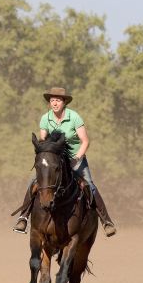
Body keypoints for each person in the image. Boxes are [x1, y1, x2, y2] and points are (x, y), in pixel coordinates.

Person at [12, 87, 116, 236]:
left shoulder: (74, 117)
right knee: (33, 182)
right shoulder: (45, 118)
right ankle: (23, 218)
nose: (55, 103)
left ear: (64, 102)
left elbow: (85, 141)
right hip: (54, 160)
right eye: (52, 100)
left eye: (58, 100)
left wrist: (77, 158)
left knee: (89, 184)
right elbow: (44, 143)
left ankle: (106, 221)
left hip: (75, 157)